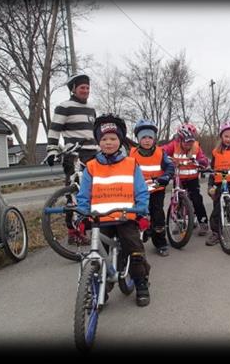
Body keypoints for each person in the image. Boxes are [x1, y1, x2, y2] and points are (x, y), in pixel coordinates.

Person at [76, 114, 151, 307]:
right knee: (99, 255)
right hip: (100, 220)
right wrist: (82, 214)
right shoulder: (91, 167)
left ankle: (141, 283)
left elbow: (141, 190)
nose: (108, 143)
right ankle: (101, 288)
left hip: (126, 217)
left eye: (113, 139)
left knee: (135, 250)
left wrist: (141, 210)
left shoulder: (131, 164)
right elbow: (84, 195)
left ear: (120, 141)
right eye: (104, 139)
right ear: (98, 142)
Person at [46, 74, 100, 244]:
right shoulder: (64, 107)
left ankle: (91, 227)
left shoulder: (91, 108)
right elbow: (54, 130)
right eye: (82, 87)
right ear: (73, 89)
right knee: (74, 193)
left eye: (87, 87)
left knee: (95, 192)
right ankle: (72, 232)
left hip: (94, 154)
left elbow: (95, 132)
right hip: (74, 154)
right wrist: (52, 150)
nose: (86, 90)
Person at [129, 119, 175, 257]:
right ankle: (133, 245)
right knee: (134, 217)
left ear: (154, 139)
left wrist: (166, 177)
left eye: (150, 137)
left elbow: (170, 166)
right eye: (143, 137)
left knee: (158, 217)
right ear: (138, 139)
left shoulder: (161, 153)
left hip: (156, 190)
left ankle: (160, 243)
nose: (147, 140)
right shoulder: (131, 154)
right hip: (137, 192)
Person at [162, 123, 210, 236]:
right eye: (186, 142)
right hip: (178, 178)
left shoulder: (196, 147)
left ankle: (203, 222)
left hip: (192, 179)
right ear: (180, 139)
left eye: (191, 142)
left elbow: (203, 159)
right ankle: (179, 223)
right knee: (177, 201)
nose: (188, 145)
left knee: (197, 199)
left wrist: (202, 162)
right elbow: (161, 151)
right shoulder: (173, 145)